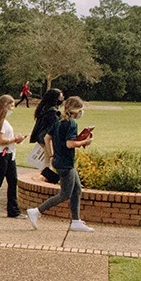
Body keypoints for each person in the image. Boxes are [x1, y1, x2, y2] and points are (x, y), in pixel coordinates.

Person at [27, 96, 95, 232]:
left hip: (60, 160)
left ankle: (76, 221)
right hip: (66, 163)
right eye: (81, 109)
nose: (81, 112)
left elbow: (47, 138)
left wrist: (51, 154)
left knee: (77, 190)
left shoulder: (58, 121)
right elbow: (70, 143)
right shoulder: (71, 123)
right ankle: (36, 211)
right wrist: (84, 142)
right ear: (76, 110)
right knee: (65, 194)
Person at [29, 88, 64, 183]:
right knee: (48, 159)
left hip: (41, 137)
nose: (62, 99)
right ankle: (46, 177)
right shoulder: (52, 112)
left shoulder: (44, 108)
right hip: (46, 138)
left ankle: (45, 177)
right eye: (61, 97)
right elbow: (56, 126)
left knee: (46, 159)